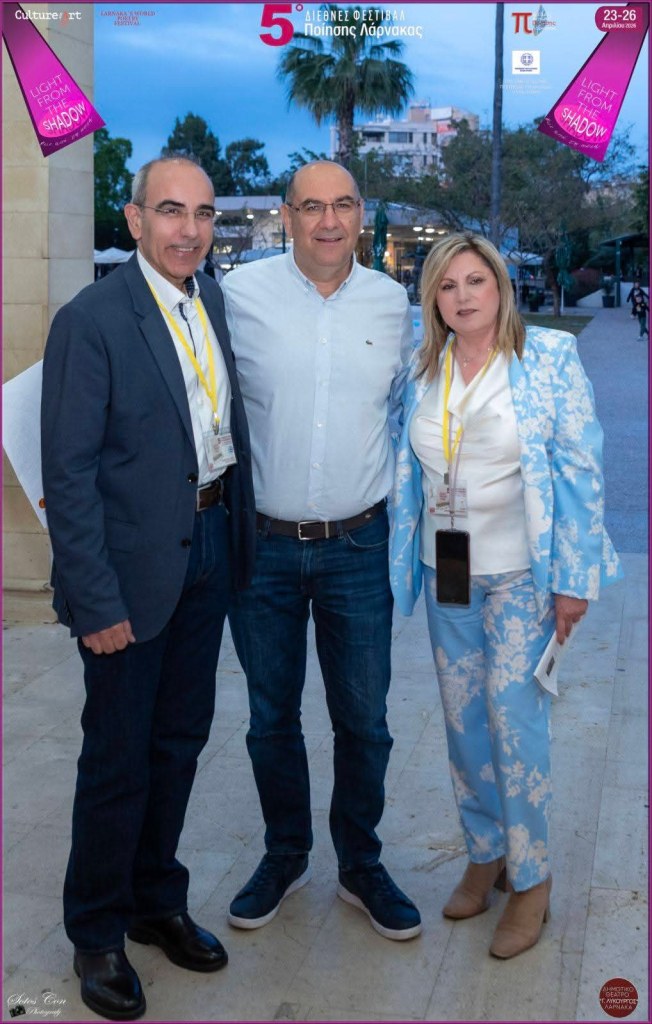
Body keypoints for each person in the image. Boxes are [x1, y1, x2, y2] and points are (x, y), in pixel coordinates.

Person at [41, 157, 255, 1020]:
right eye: (170, 211)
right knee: (117, 760)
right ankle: (96, 932)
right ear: (134, 220)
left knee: (179, 743)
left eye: (202, 213)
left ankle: (154, 899)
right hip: (129, 577)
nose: (188, 230)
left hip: (206, 552)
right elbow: (69, 474)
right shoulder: (90, 321)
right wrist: (95, 602)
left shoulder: (212, 303)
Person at [389, 232, 622, 959]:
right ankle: (485, 852)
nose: (462, 296)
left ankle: (532, 878)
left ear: (500, 288)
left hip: (523, 573)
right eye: (447, 285)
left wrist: (574, 580)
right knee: (464, 722)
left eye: (475, 281)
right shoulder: (422, 366)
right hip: (448, 571)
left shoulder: (548, 356)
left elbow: (580, 468)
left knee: (514, 723)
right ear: (433, 298)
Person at [221, 160, 421, 942]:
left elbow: (420, 406)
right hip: (262, 549)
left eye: (342, 205)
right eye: (311, 207)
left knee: (365, 720)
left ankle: (360, 865)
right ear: (287, 216)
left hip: (360, 545)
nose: (328, 221)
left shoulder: (392, 302)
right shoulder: (239, 295)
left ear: (361, 214)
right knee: (271, 717)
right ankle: (286, 855)